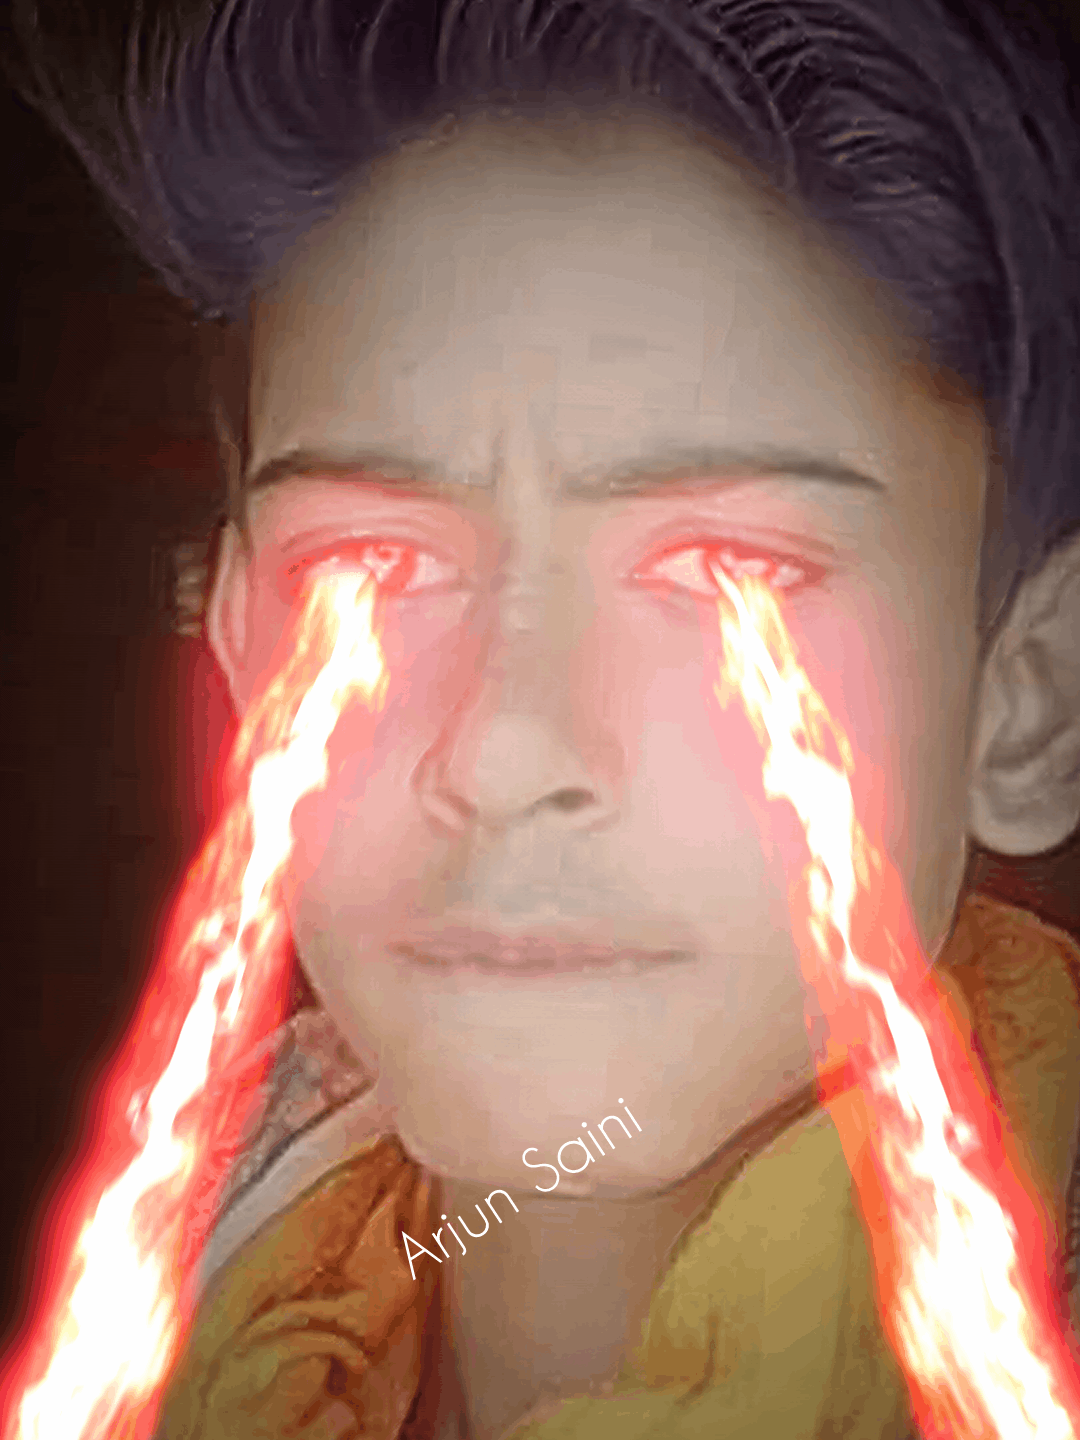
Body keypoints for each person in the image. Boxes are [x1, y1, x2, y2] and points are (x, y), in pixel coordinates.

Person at [12, 0, 1080, 1435]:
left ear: (1029, 703)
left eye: (727, 570)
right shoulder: (191, 1271)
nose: (502, 752)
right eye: (370, 565)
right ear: (243, 660)